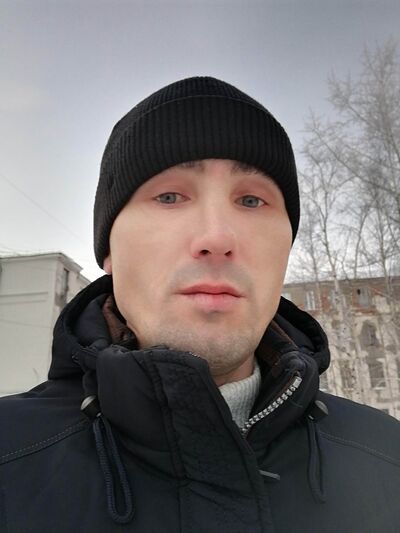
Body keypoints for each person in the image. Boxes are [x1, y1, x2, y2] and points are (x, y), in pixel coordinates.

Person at [0, 77, 399, 533]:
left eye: (251, 200)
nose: (216, 237)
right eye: (169, 197)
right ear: (109, 249)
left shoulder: (389, 460)